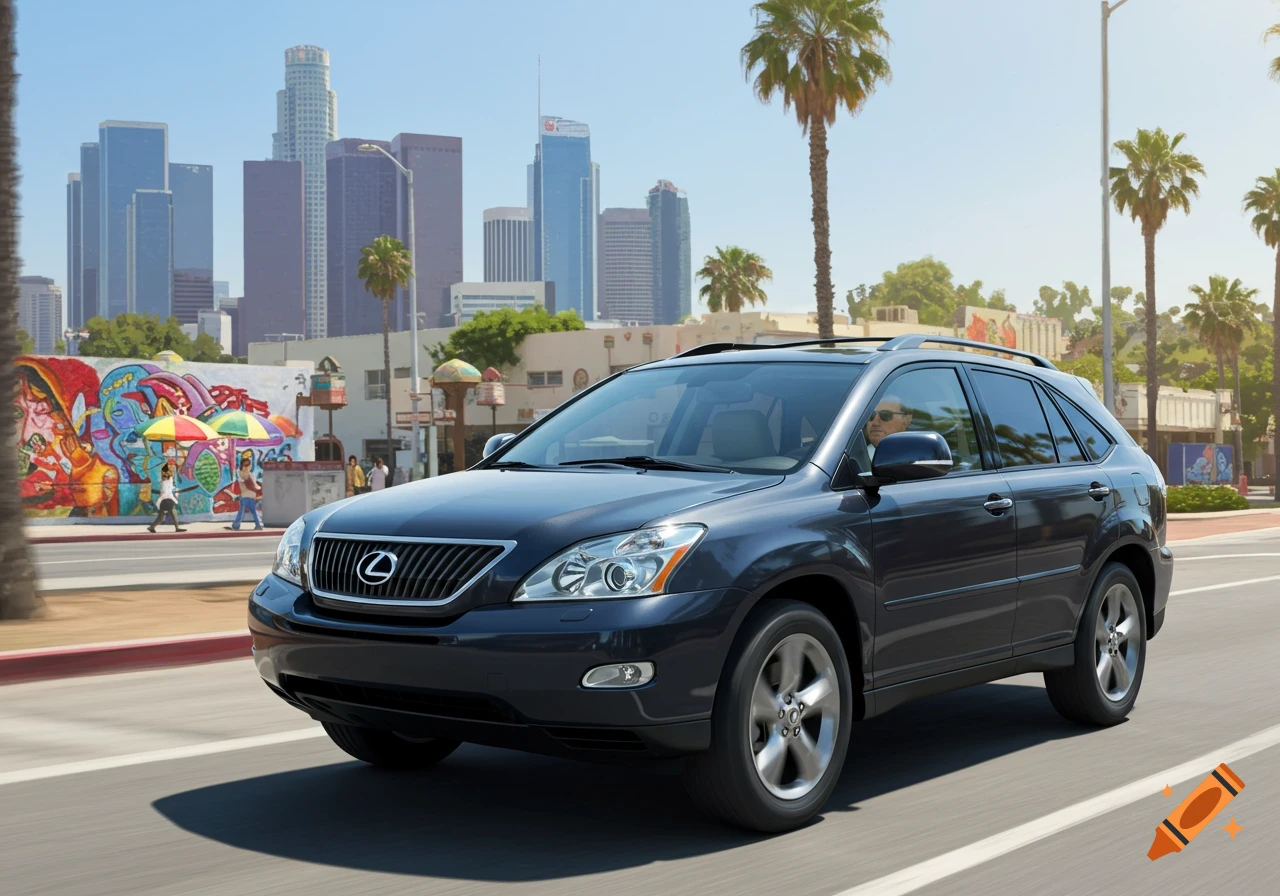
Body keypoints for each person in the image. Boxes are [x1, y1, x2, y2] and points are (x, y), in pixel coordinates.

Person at [864, 394, 912, 462]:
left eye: (885, 415)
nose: (875, 423)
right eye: (871, 415)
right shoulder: (854, 457)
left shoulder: (919, 457)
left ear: (906, 420)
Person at [148, 463, 186, 533]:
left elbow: (165, 490)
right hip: (168, 499)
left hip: (163, 500)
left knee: (161, 515)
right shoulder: (169, 480)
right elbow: (167, 491)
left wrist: (175, 490)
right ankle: (177, 527)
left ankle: (152, 527)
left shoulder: (164, 481)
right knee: (173, 513)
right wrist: (176, 494)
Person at [231, 458, 264, 530]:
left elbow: (253, 485)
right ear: (242, 465)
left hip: (248, 496)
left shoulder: (248, 474)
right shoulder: (243, 474)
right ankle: (258, 524)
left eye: (248, 465)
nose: (247, 467)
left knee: (244, 511)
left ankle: (236, 525)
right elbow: (252, 484)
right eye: (245, 465)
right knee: (252, 511)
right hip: (247, 495)